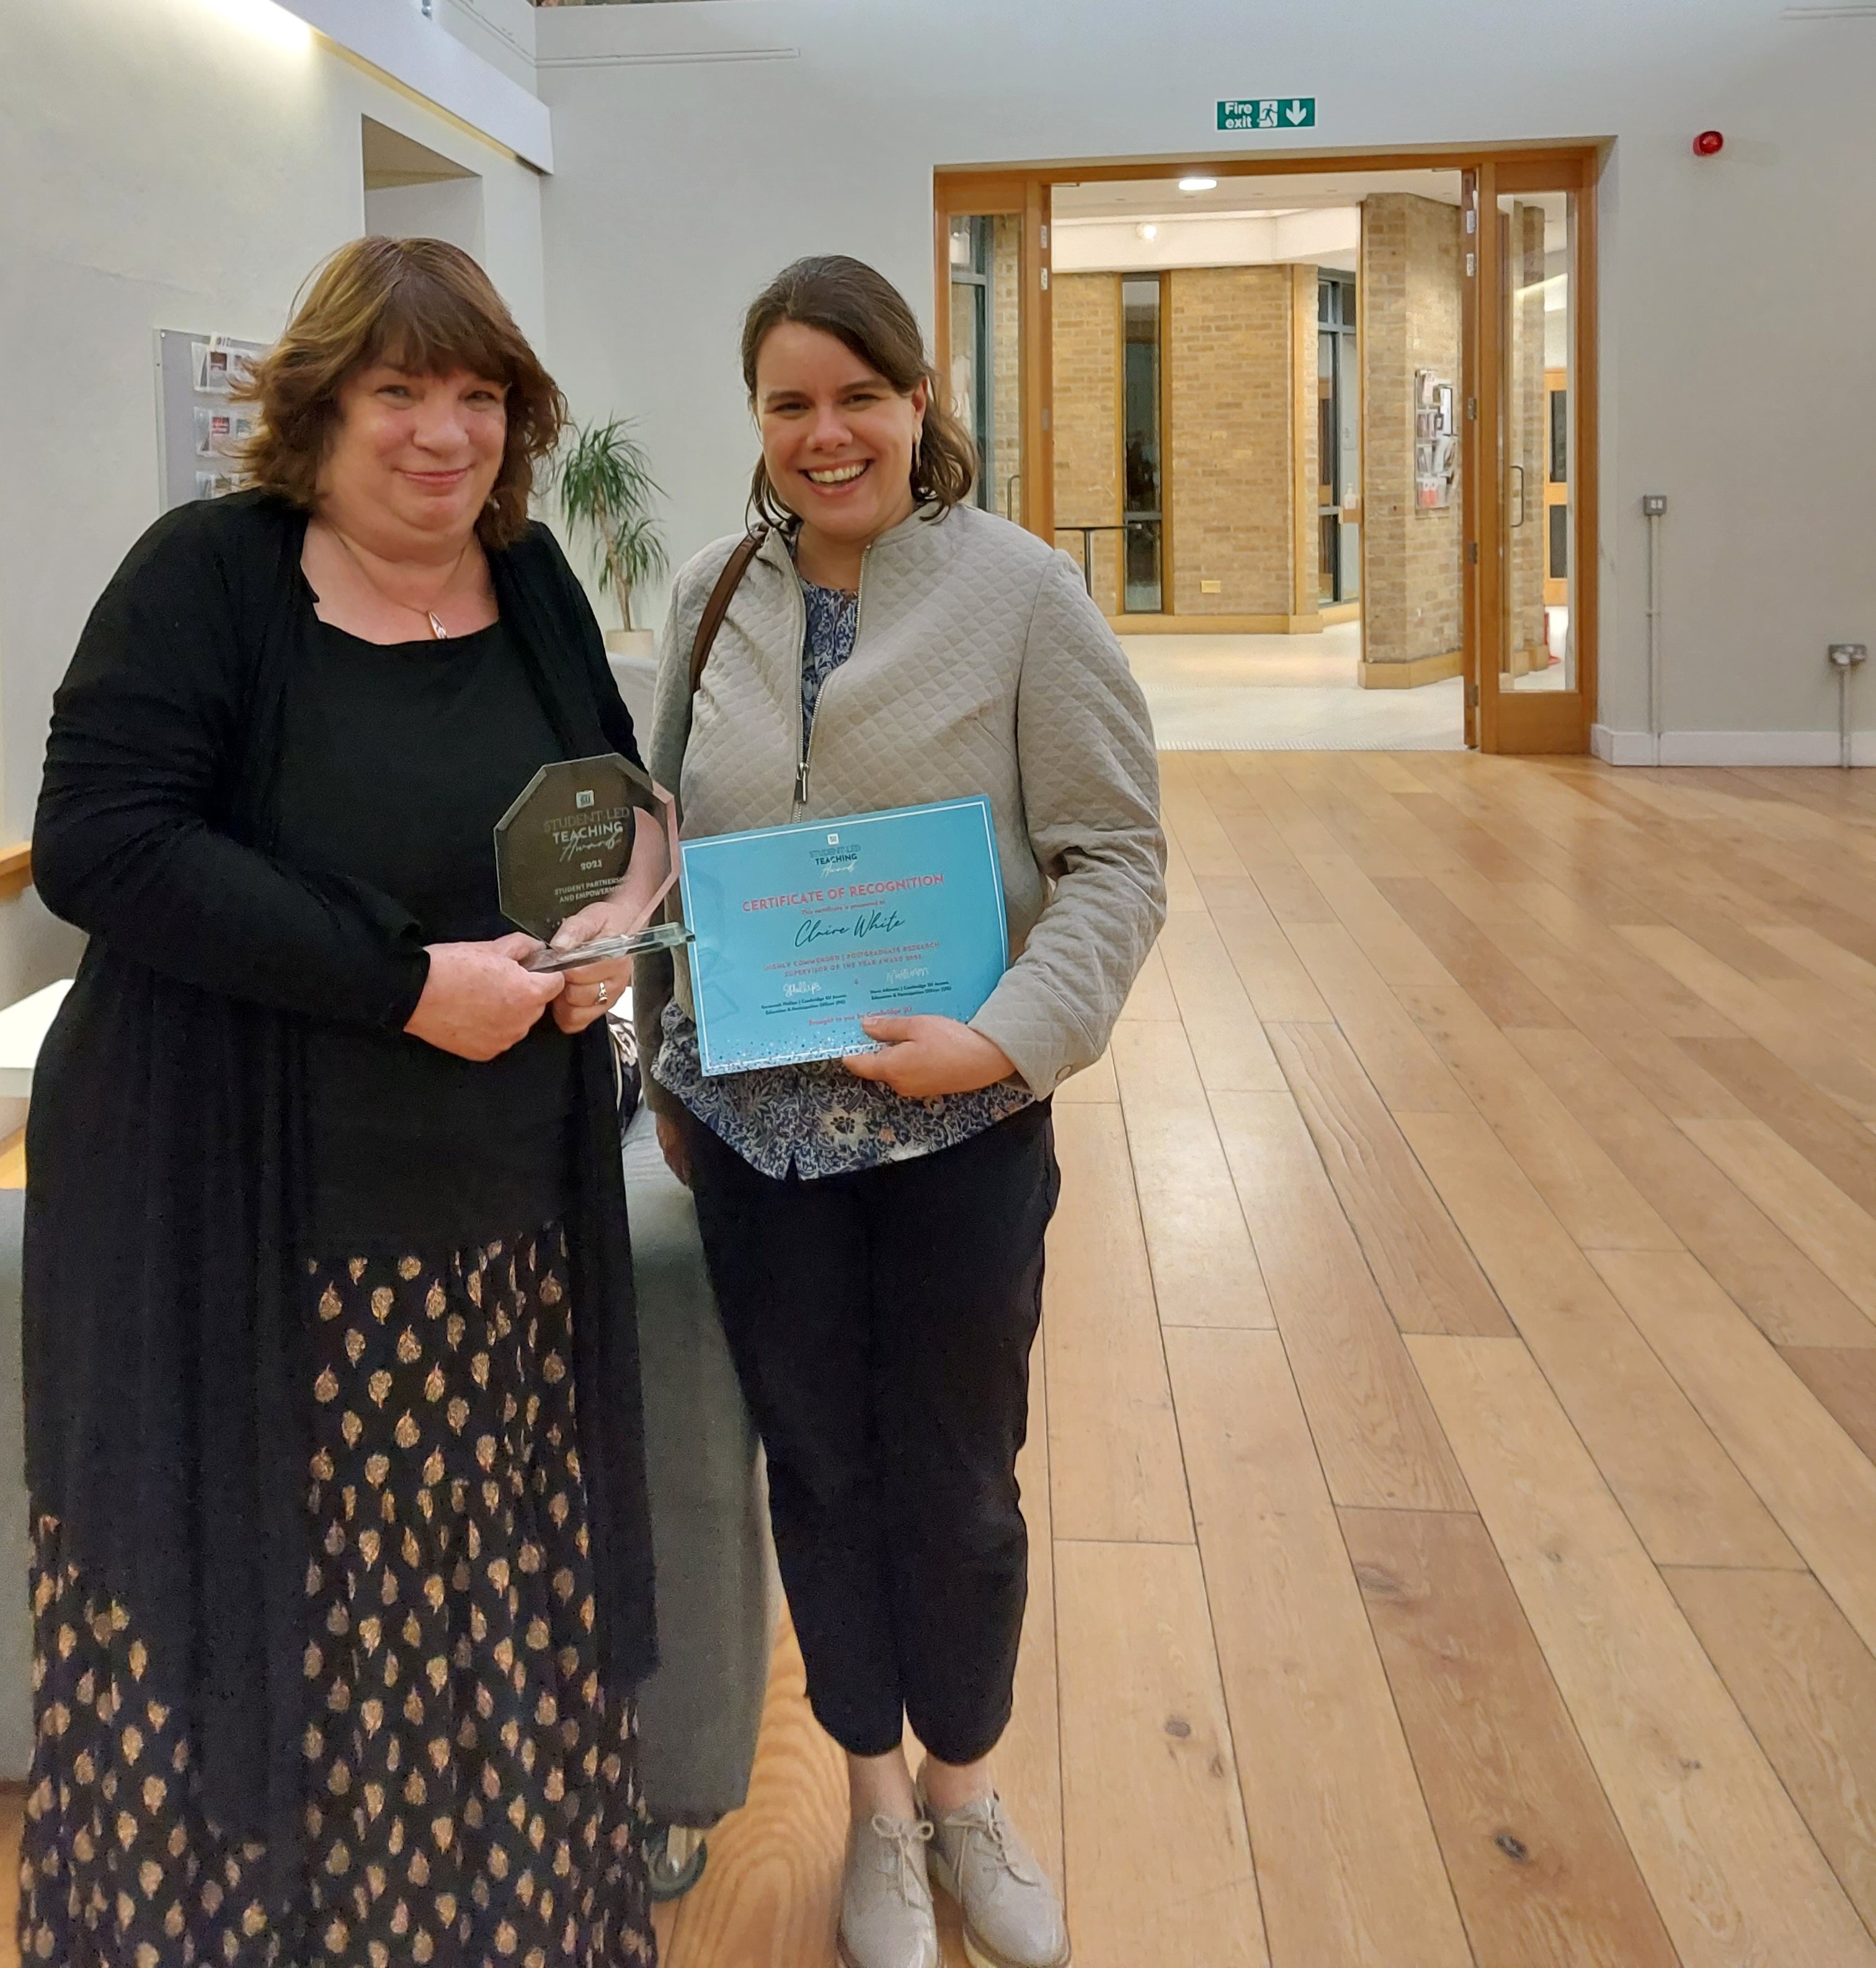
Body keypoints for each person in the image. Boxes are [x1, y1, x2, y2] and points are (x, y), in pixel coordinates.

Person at [22, 236, 660, 1968]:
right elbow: (101, 843)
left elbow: (616, 797)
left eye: (475, 399)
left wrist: (612, 927)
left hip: (495, 1217)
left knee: (472, 1596)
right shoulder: (208, 576)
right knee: (275, 1594)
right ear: (319, 408)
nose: (440, 436)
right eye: (399, 392)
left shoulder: (525, 584)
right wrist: (404, 981)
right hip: (234, 1210)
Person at [634, 256, 1166, 1968]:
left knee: (957, 1483)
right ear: (758, 424)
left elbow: (1115, 859)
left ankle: (962, 1794)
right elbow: (665, 851)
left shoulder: (1021, 595)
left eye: (857, 394)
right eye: (787, 403)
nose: (824, 432)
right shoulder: (707, 598)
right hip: (755, 1140)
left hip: (956, 1134)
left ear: (918, 400)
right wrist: (664, 1052)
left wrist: (1006, 1039)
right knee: (816, 1465)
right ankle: (867, 1805)